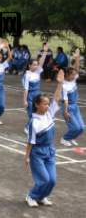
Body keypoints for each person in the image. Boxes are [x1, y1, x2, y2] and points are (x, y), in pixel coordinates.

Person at [25, 70, 64, 208]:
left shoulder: (49, 114)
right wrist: (27, 157)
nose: (48, 106)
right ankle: (31, 196)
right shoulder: (33, 122)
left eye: (48, 104)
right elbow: (30, 141)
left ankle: (41, 197)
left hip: (49, 150)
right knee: (44, 179)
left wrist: (60, 83)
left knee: (52, 180)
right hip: (37, 153)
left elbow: (57, 98)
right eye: (45, 104)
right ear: (36, 105)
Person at [60, 49, 84, 147]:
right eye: (72, 75)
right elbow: (65, 100)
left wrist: (77, 58)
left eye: (75, 75)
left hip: (75, 107)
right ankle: (65, 139)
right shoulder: (64, 85)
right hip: (68, 107)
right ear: (67, 75)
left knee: (81, 128)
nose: (75, 76)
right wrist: (66, 112)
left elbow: (76, 69)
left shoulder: (73, 81)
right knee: (75, 127)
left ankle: (72, 138)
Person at [23, 44, 49, 119]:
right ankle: (29, 127)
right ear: (29, 65)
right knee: (31, 113)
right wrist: (25, 101)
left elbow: (42, 62)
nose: (36, 66)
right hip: (30, 95)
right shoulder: (27, 75)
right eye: (34, 65)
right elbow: (26, 89)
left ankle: (34, 127)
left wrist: (45, 52)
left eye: (36, 65)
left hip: (37, 94)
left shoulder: (37, 72)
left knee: (39, 112)